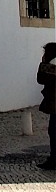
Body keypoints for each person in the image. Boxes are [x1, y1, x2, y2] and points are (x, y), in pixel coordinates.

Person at [37, 42, 56, 170]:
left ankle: (54, 160)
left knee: (54, 132)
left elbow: (41, 79)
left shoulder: (52, 66)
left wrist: (43, 63)